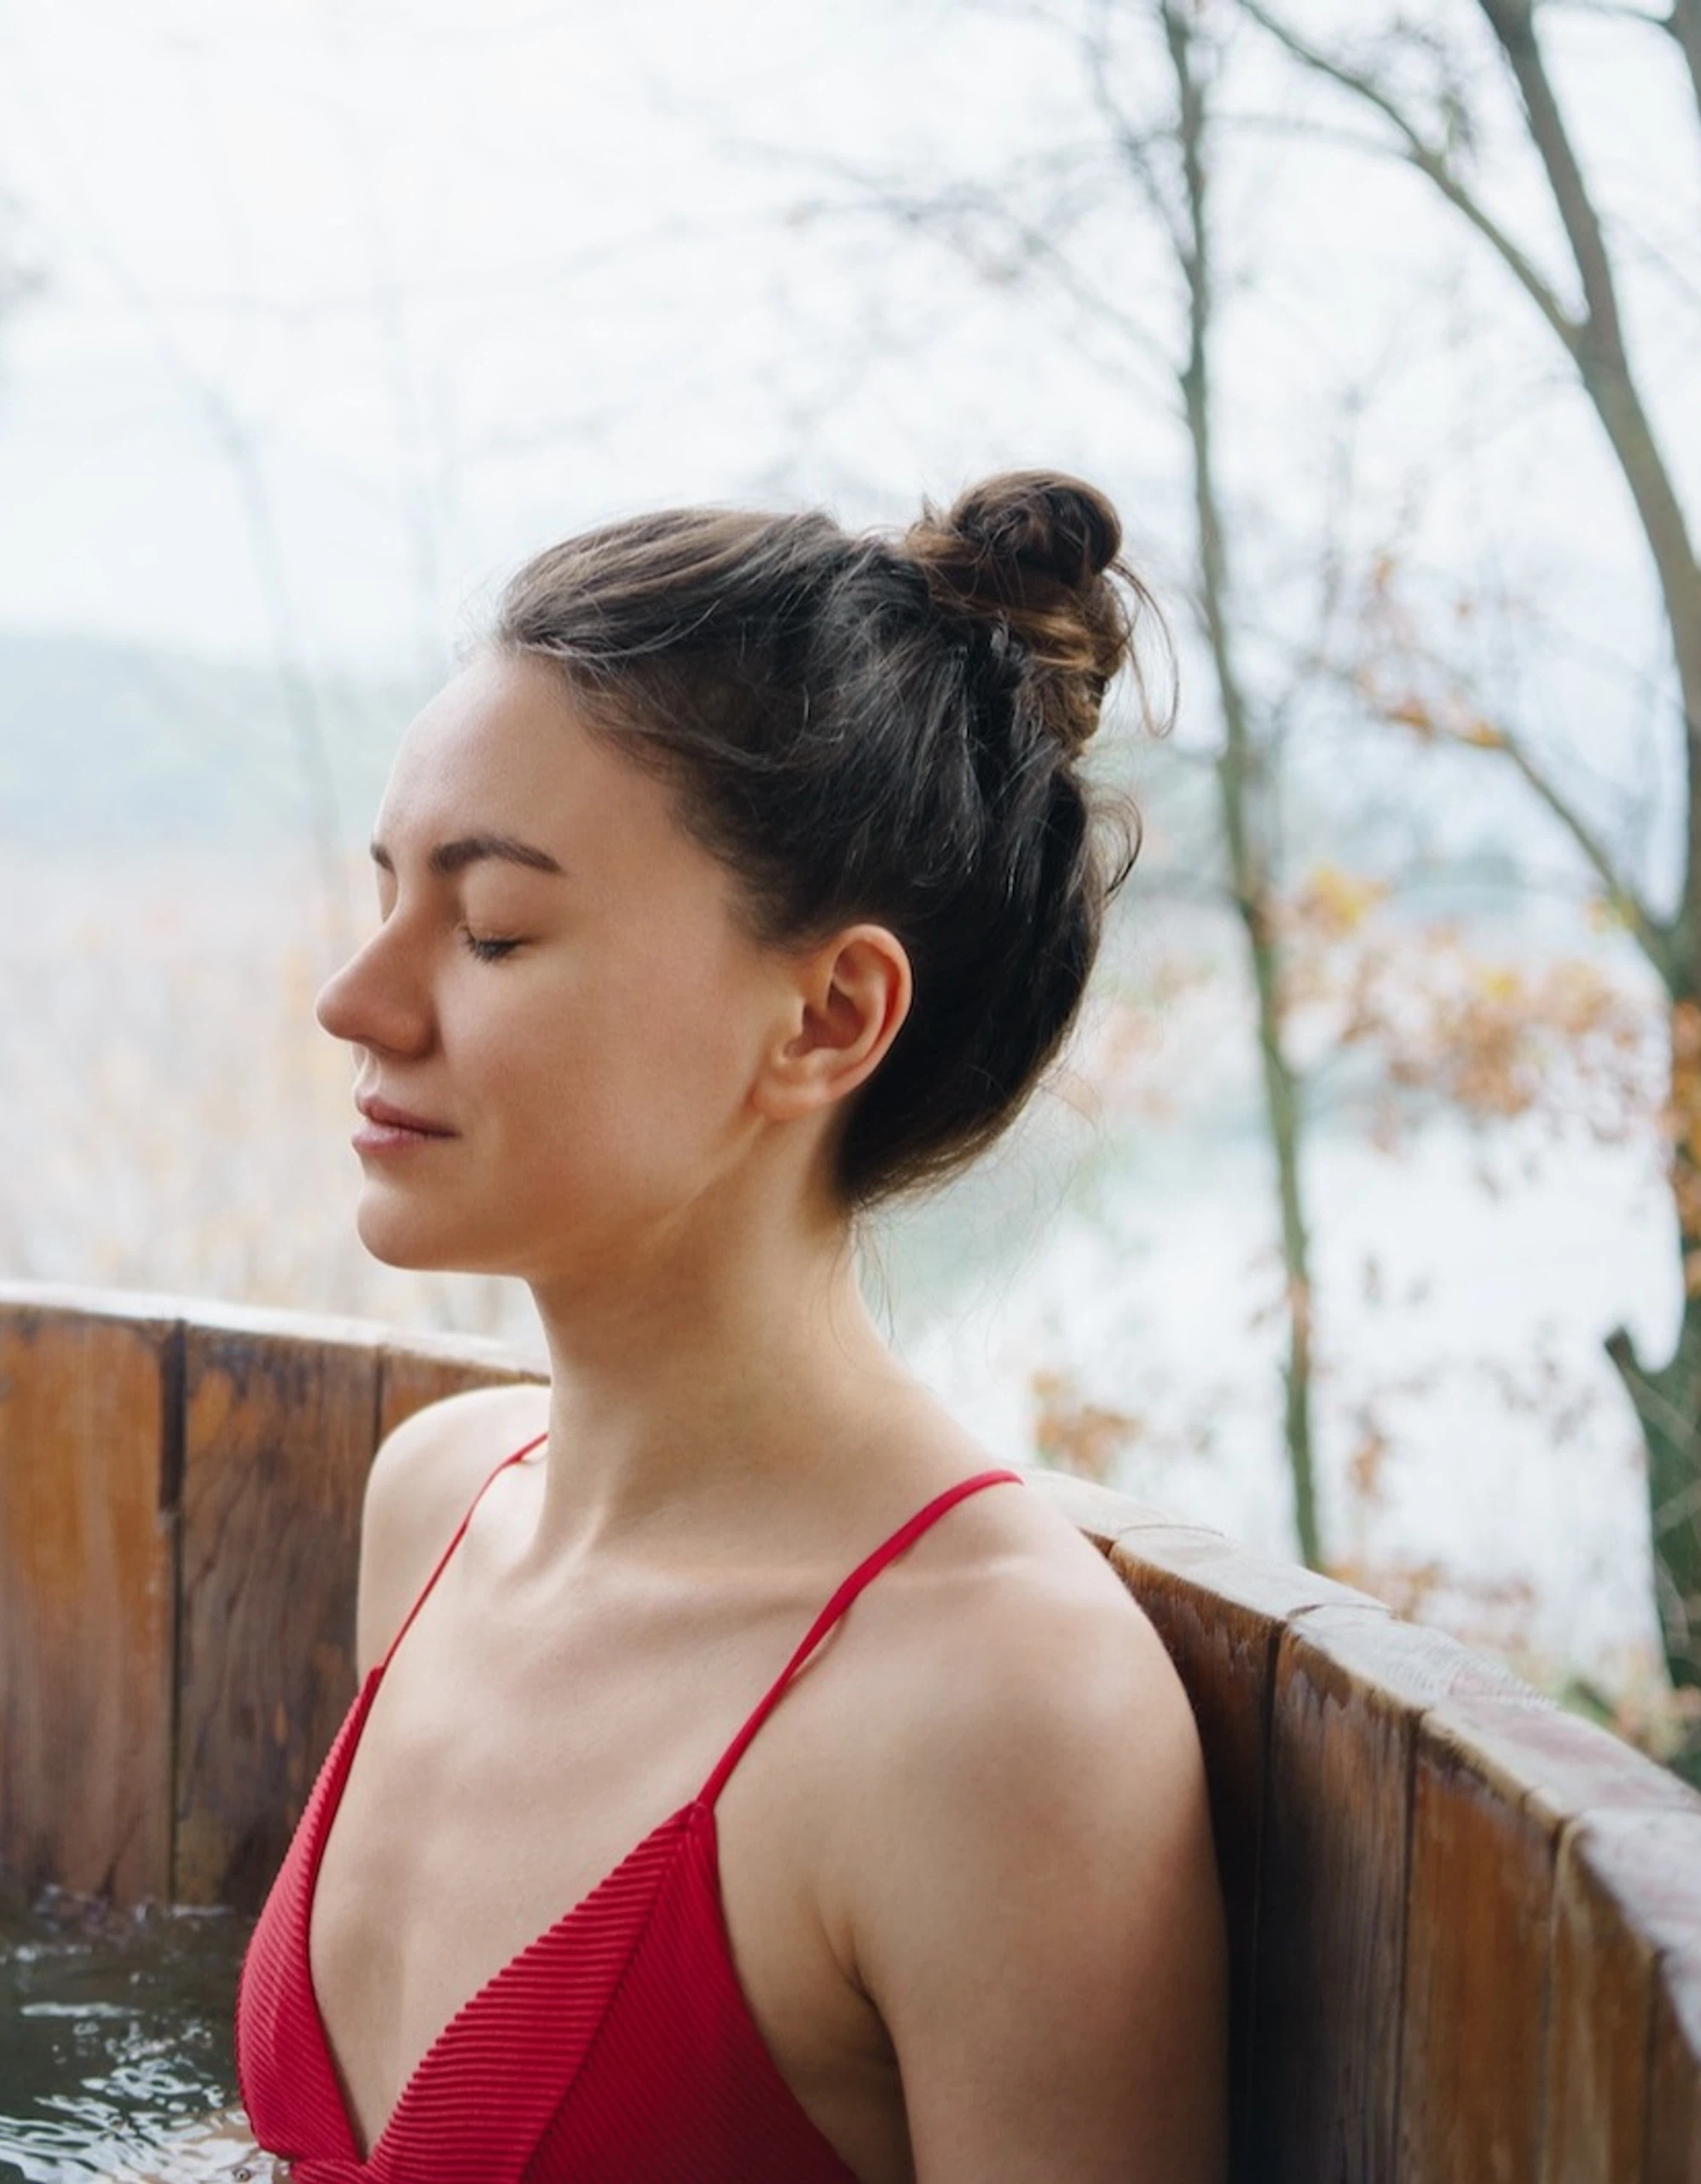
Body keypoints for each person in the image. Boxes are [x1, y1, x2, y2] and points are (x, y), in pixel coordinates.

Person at [225, 473, 1229, 2182]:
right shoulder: (442, 1503)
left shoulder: (999, 1711)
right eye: (388, 893)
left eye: (491, 927)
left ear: (828, 1016)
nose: (357, 999)